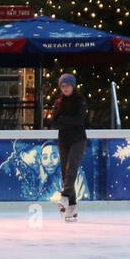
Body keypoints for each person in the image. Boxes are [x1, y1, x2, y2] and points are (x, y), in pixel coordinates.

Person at [51, 72, 87, 222]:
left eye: (68, 86)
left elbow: (79, 121)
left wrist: (63, 120)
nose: (65, 88)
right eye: (62, 86)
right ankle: (72, 207)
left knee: (71, 169)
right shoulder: (59, 103)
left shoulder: (80, 101)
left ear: (73, 86)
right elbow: (54, 121)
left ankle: (65, 196)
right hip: (63, 139)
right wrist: (66, 121)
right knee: (65, 173)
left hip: (78, 139)